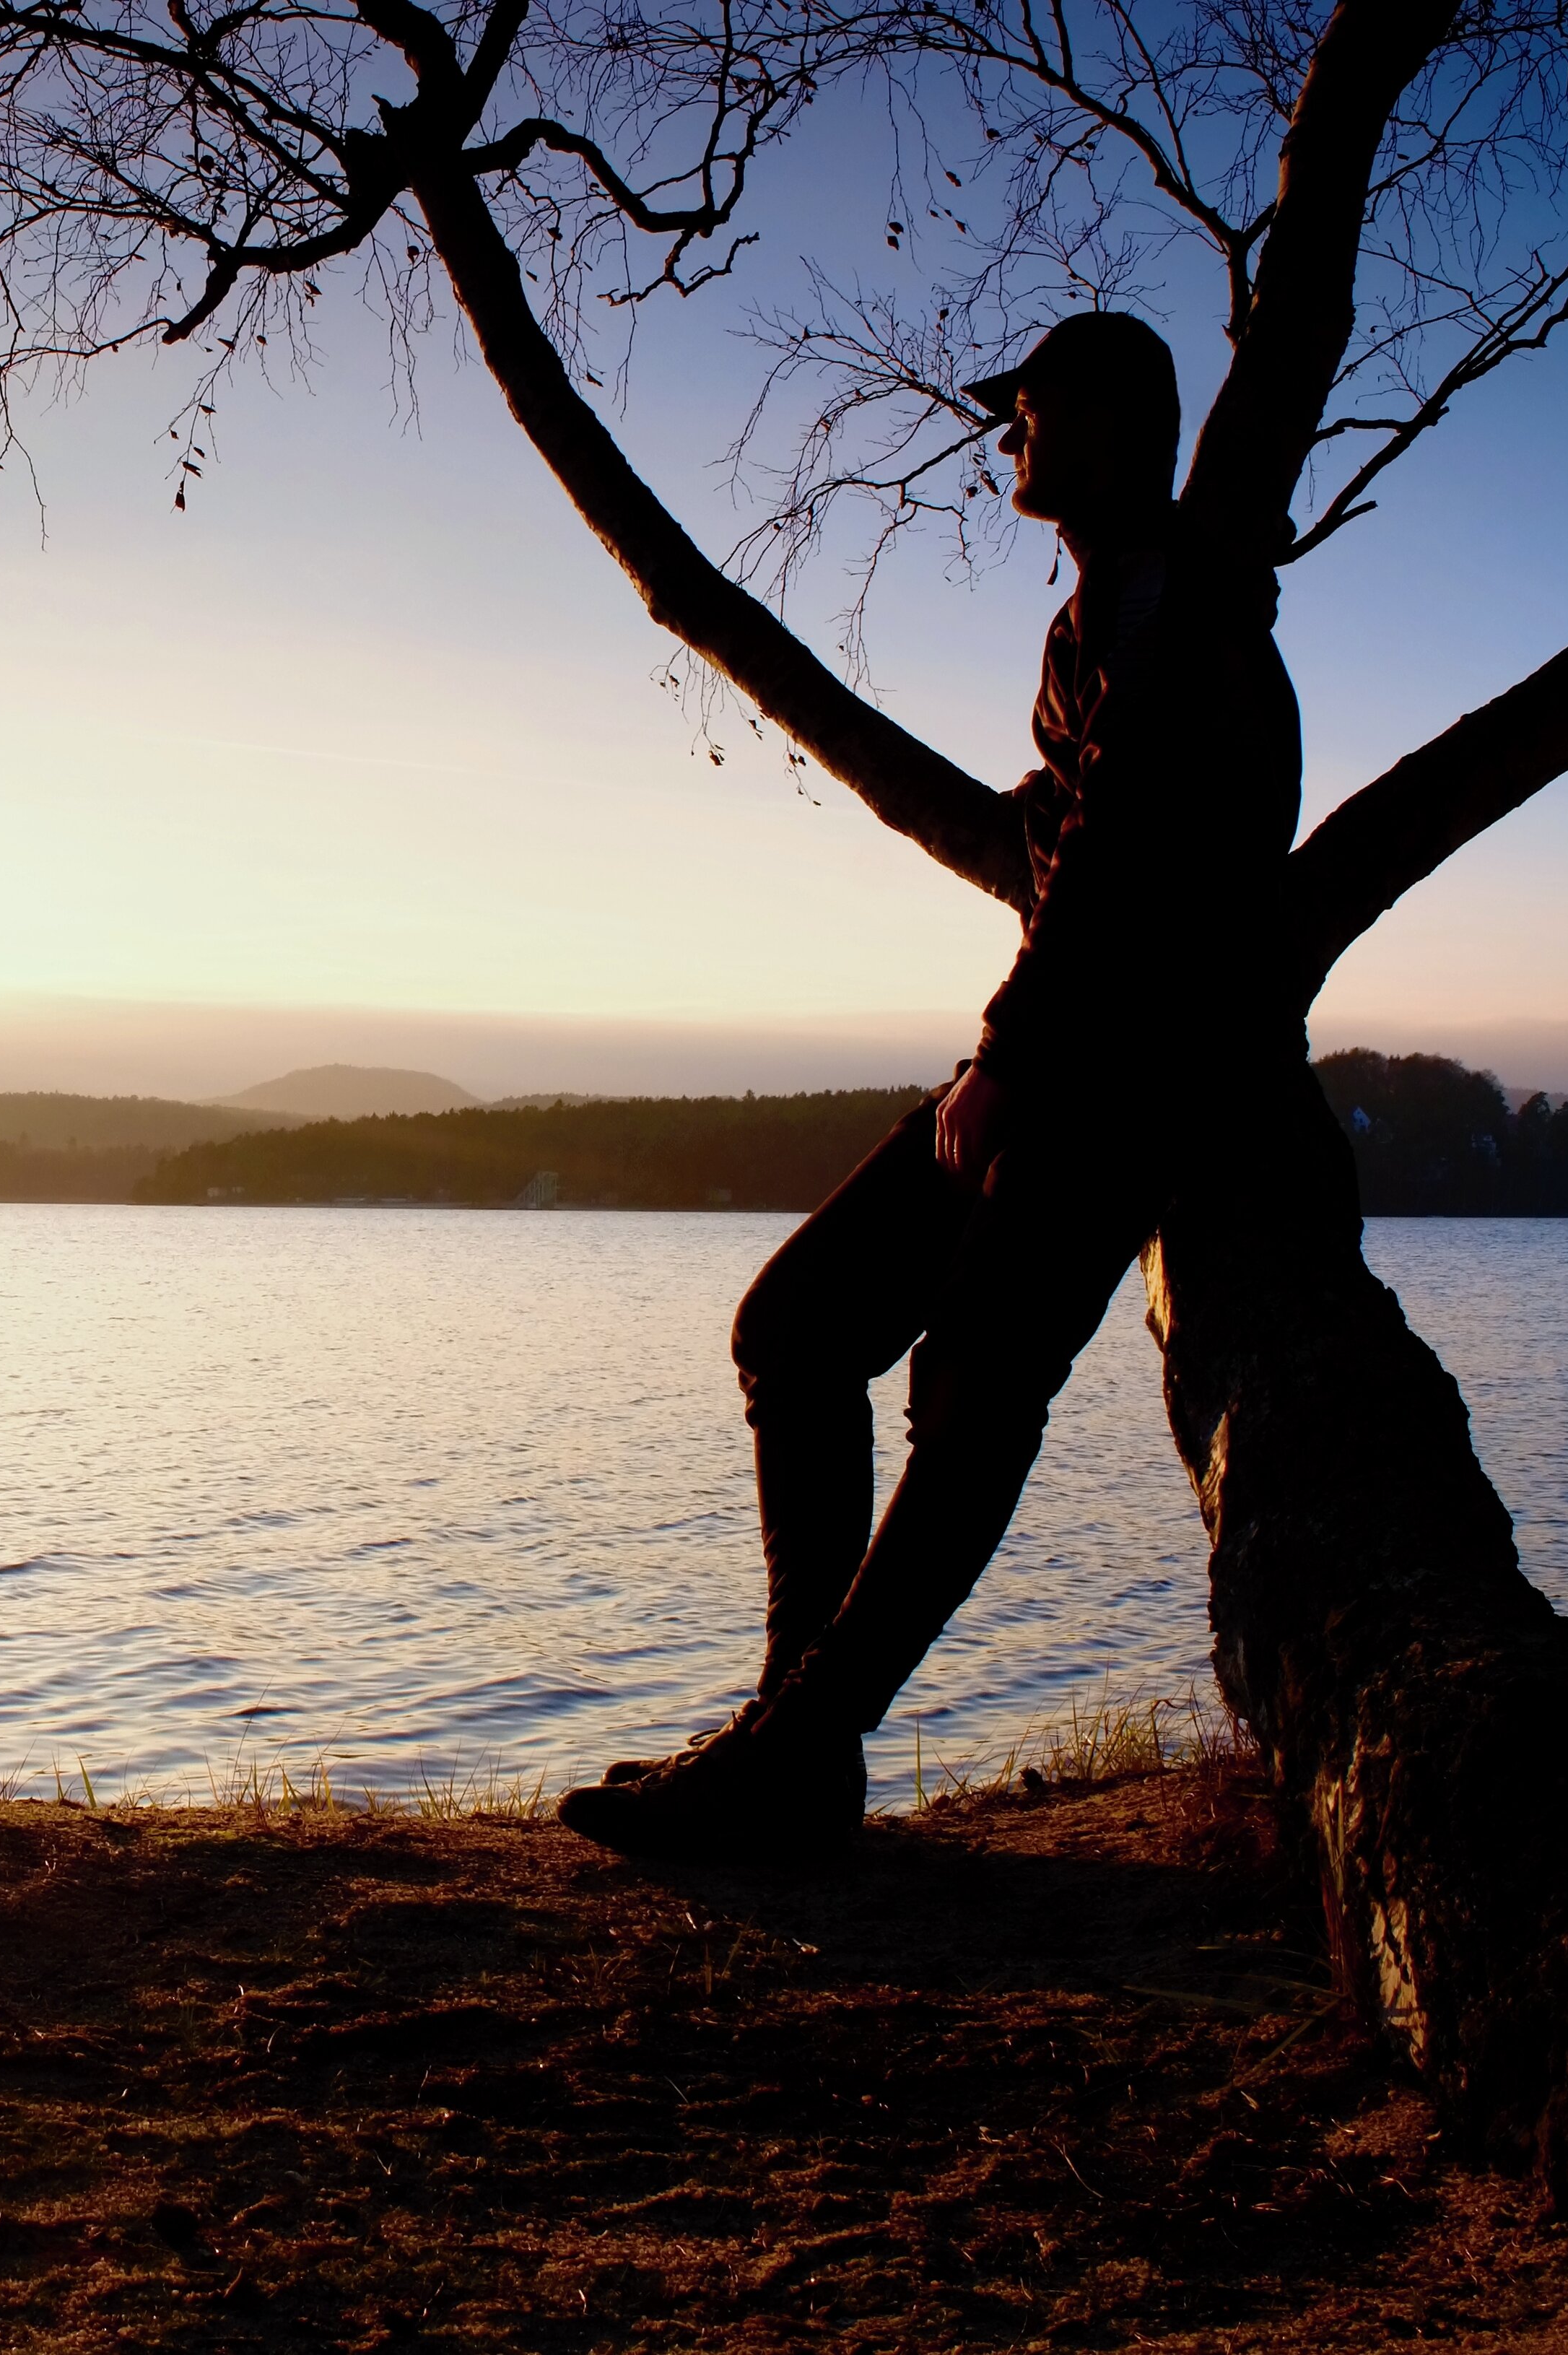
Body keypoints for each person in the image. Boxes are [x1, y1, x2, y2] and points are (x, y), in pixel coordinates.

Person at [557, 311, 1311, 1863]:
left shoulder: (1168, 601)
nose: (1008, 433)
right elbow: (1079, 815)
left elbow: (1127, 844)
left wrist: (1007, 1051)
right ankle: (792, 1744)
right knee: (792, 1331)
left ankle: (793, 1751)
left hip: (1135, 1069)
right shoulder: (1104, 612)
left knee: (971, 1385)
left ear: (1111, 421)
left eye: (1030, 407)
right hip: (1075, 1043)